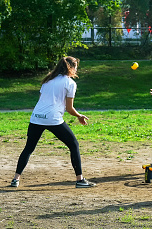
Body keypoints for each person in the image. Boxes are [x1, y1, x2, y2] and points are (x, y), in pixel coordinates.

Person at [10, 56, 96, 188]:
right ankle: (80, 180)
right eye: (76, 67)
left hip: (36, 117)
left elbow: (41, 101)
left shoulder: (47, 80)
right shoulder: (70, 83)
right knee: (74, 144)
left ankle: (16, 179)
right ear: (70, 68)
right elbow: (69, 108)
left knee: (29, 148)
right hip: (52, 118)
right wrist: (79, 116)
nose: (76, 70)